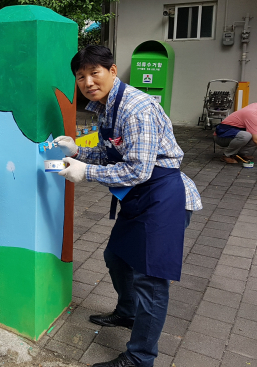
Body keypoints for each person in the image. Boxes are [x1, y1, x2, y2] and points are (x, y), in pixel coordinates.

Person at [54, 45, 202, 367]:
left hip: (163, 196)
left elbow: (137, 169)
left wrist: (86, 172)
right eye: (81, 77)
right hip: (137, 196)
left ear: (112, 70)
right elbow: (113, 155)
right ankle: (128, 312)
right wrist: (77, 151)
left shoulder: (137, 109)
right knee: (116, 257)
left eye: (95, 73)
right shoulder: (104, 106)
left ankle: (140, 357)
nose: (88, 82)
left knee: (150, 280)